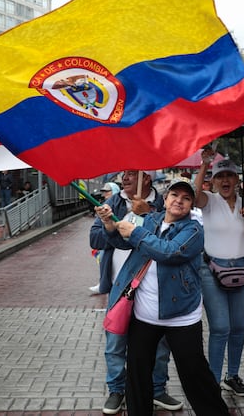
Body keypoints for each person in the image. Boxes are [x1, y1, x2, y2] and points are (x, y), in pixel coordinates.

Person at [96, 179, 229, 415]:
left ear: (190, 205)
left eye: (186, 198)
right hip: (144, 316)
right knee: (137, 375)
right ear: (165, 199)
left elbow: (169, 252)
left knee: (195, 375)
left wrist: (136, 233)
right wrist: (108, 222)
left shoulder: (194, 230)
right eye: (174, 195)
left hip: (181, 317)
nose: (179, 200)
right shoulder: (150, 220)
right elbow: (121, 241)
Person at [89, 170, 181, 414]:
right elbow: (95, 238)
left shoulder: (163, 202)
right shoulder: (113, 202)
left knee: (159, 344)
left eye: (131, 174)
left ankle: (157, 389)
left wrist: (148, 215)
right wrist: (120, 222)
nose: (124, 178)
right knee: (116, 341)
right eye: (123, 175)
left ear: (146, 177)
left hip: (153, 285)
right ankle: (117, 390)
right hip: (121, 286)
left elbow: (172, 235)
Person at [194, 156, 244, 397]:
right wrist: (204, 165)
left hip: (241, 272)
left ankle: (232, 375)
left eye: (229, 175)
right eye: (220, 176)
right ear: (212, 181)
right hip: (212, 272)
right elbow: (193, 196)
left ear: (236, 179)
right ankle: (213, 380)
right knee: (220, 327)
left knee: (238, 327)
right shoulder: (209, 201)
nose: (225, 180)